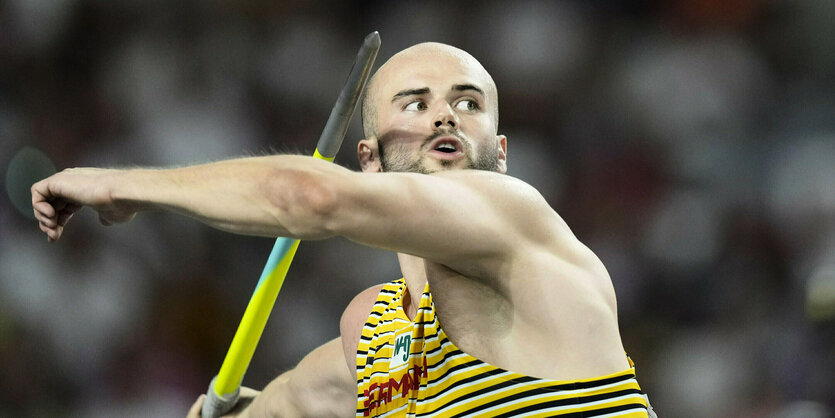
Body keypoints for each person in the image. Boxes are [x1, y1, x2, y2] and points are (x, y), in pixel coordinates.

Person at [32, 42, 656, 417]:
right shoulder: (374, 332)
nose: (444, 112)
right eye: (414, 103)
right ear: (370, 160)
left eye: (469, 103)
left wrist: (123, 186)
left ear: (499, 154)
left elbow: (305, 195)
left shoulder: (519, 223)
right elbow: (295, 402)